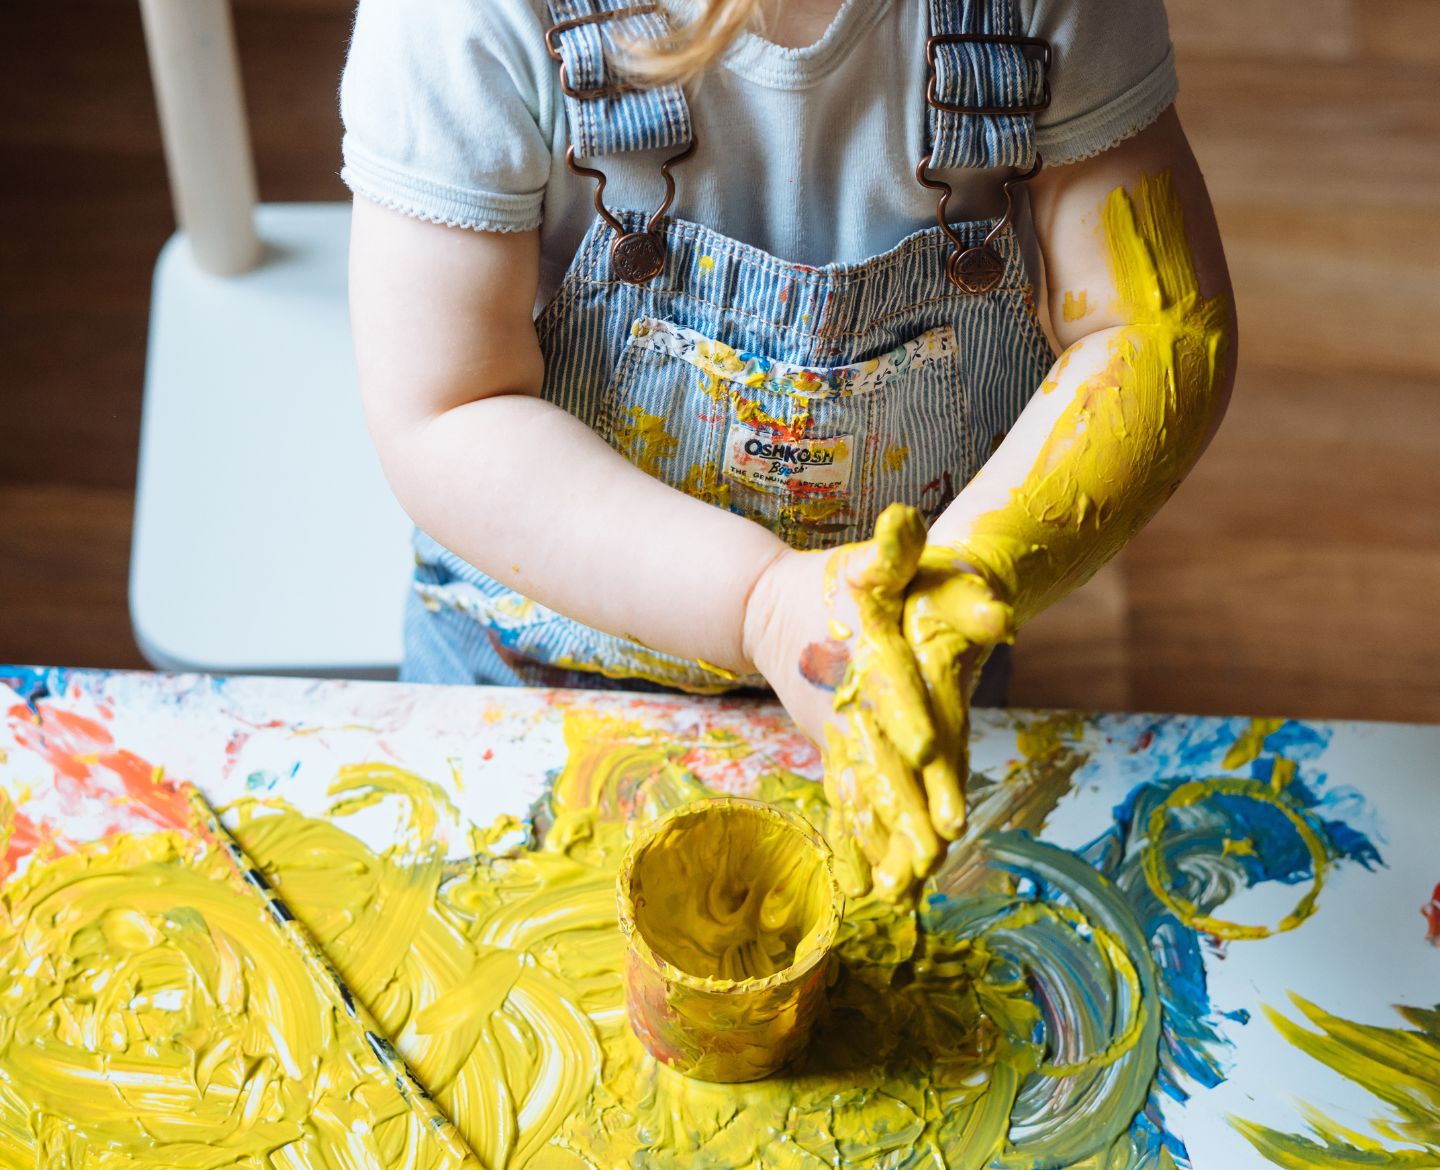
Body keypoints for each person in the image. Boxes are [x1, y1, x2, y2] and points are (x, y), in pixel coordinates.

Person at [341, 0, 1237, 898]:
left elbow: (1154, 328)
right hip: (536, 658)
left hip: (895, 662)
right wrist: (764, 606)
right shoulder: (462, 21)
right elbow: (451, 411)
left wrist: (946, 593)